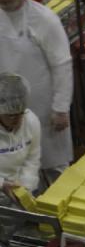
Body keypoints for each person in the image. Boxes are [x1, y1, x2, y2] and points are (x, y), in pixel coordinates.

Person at [0, 0, 73, 185]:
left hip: (43, 108)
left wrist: (61, 108)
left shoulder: (44, 20)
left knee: (54, 165)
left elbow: (62, 64)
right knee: (18, 165)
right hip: (6, 107)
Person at [0, 73, 41, 205]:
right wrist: (1, 184)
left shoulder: (31, 121)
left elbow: (32, 158)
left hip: (16, 187)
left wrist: (26, 187)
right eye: (11, 115)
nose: (17, 120)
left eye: (20, 113)